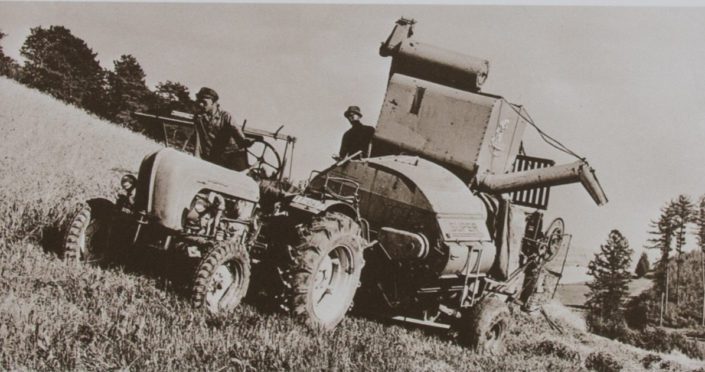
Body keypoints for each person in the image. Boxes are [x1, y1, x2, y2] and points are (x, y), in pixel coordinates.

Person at [193, 87, 253, 171]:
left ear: (214, 102)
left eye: (204, 102)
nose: (201, 105)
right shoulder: (199, 118)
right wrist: (196, 158)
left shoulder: (226, 116)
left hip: (233, 156)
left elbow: (236, 131)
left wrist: (244, 141)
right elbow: (198, 138)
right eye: (200, 101)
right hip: (216, 157)